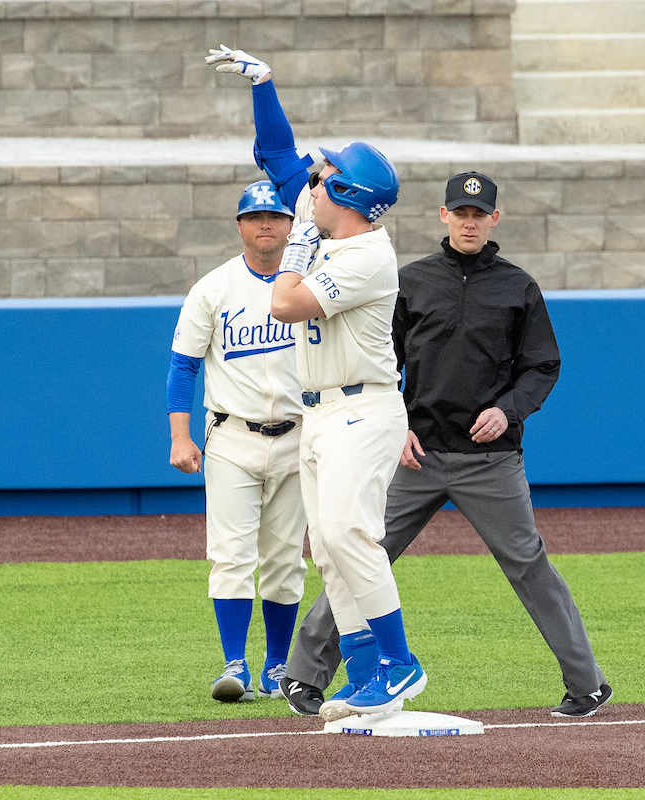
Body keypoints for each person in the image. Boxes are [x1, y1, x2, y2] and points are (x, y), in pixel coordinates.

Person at [281, 169, 614, 719]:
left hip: (491, 460)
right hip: (417, 451)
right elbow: (378, 359)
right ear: (444, 216)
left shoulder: (518, 287)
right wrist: (399, 423)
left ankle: (587, 683)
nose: (469, 222)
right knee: (359, 547)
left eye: (479, 215)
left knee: (529, 565)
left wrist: (507, 412)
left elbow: (543, 366)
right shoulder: (409, 280)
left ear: (494, 220)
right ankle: (305, 674)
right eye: (460, 213)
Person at [208, 46, 428, 723]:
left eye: (329, 173)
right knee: (327, 547)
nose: (315, 176)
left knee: (346, 533)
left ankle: (400, 664)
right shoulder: (328, 226)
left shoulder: (365, 254)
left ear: (350, 195)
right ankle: (365, 678)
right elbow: (279, 156)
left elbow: (284, 305)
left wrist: (297, 253)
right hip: (322, 412)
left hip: (363, 409)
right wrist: (264, 86)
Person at [167, 180, 309, 703]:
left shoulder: (311, 282)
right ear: (240, 226)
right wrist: (180, 437)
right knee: (230, 555)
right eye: (255, 217)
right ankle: (234, 663)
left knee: (284, 558)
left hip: (298, 435)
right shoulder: (214, 287)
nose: (266, 224)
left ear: (291, 226)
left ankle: (276, 666)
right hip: (231, 435)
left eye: (275, 215)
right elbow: (182, 367)